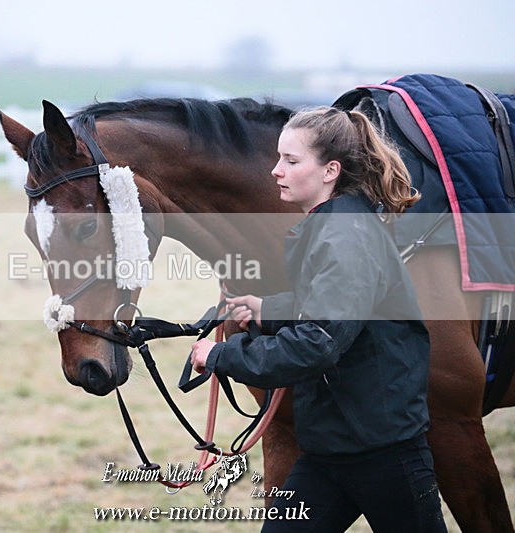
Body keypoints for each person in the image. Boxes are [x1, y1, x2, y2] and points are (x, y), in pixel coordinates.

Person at [190, 107, 448, 532]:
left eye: (291, 161)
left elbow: (317, 343)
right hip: (331, 449)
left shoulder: (346, 236)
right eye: (278, 158)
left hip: (384, 454)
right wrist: (265, 309)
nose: (276, 171)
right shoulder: (328, 227)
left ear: (330, 170)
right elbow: (333, 306)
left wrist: (221, 355)